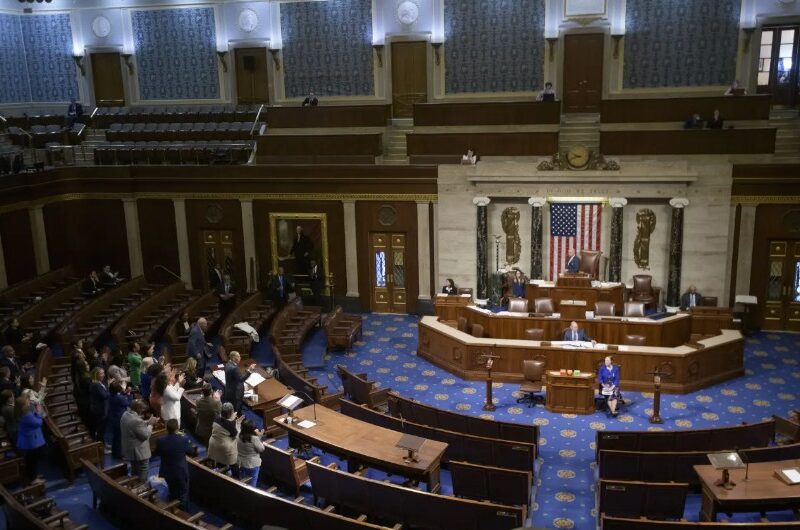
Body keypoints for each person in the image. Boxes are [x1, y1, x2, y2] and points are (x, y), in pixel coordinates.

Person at [153, 418, 198, 510]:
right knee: (183, 493)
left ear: (166, 428)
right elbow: (191, 452)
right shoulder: (183, 439)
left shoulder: (160, 440)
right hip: (180, 472)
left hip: (167, 471)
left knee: (172, 489)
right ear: (177, 428)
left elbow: (156, 453)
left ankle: (173, 509)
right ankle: (183, 511)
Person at [121, 399, 158, 483]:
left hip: (129, 448)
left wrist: (147, 422)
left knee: (134, 468)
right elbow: (145, 435)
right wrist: (151, 424)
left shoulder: (125, 414)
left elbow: (134, 426)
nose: (143, 411)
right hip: (138, 452)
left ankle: (135, 484)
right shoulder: (137, 421)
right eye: (142, 409)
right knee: (143, 468)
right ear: (138, 408)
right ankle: (141, 486)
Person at [15, 393, 46, 484]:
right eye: (27, 401)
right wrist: (39, 413)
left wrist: (35, 412)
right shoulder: (26, 415)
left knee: (31, 459)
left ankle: (33, 475)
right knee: (32, 460)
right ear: (23, 405)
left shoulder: (22, 412)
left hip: (27, 440)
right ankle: (33, 479)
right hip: (30, 441)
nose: (29, 402)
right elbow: (38, 423)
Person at [207, 402, 242, 474]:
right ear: (230, 413)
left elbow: (224, 421)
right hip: (225, 450)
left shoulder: (216, 419)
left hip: (213, 446)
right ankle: (236, 477)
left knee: (220, 460)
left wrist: (231, 418)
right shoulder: (230, 425)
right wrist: (238, 423)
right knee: (234, 465)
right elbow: (237, 436)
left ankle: (220, 472)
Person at [108, 381, 132, 458]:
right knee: (120, 437)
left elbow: (120, 396)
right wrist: (129, 394)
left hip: (113, 417)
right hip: (120, 418)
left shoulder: (110, 395)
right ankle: (120, 454)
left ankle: (115, 452)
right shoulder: (119, 398)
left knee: (116, 436)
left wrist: (124, 393)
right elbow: (128, 403)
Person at [237, 419, 265, 485]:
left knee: (243, 481)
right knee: (252, 483)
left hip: (241, 463)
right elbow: (261, 449)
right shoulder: (254, 439)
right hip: (252, 464)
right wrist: (260, 437)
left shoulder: (238, 435)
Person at [89, 367, 110, 444]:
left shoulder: (99, 383)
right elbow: (105, 395)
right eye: (101, 373)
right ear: (96, 375)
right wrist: (110, 388)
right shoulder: (96, 385)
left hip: (102, 408)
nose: (103, 375)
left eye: (103, 373)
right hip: (100, 410)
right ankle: (100, 443)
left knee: (102, 427)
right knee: (101, 428)